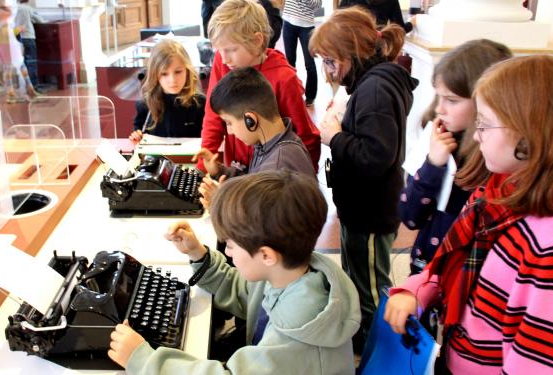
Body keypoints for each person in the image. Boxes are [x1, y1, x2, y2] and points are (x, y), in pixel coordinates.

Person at [385, 55, 553, 373]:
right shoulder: (497, 193)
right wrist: (418, 291)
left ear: (529, 132)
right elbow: (455, 268)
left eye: (484, 124)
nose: (475, 136)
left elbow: (539, 364)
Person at [108, 170, 362, 374]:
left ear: (266, 255)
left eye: (230, 244)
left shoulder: (298, 338)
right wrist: (198, 253)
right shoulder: (289, 272)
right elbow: (245, 293)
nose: (227, 252)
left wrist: (142, 360)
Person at [309, 6, 418, 351]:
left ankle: (377, 354)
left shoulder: (374, 89)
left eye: (329, 60)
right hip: (364, 206)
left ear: (348, 55)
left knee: (370, 288)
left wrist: (335, 137)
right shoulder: (377, 83)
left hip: (370, 211)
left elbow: (375, 157)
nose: (328, 70)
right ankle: (365, 342)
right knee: (361, 279)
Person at [399, 39, 512, 276]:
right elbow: (409, 216)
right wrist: (433, 165)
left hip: (463, 279)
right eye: (439, 97)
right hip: (425, 272)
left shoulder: (499, 159)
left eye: (452, 100)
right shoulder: (437, 137)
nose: (440, 109)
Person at [199, 0, 321, 174]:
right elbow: (214, 113)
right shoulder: (223, 61)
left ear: (257, 41)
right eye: (220, 50)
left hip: (273, 177)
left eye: (231, 50)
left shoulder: (284, 78)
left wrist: (307, 182)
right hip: (237, 171)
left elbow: (306, 135)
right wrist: (204, 166)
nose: (224, 59)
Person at [193, 66, 315, 209]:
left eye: (229, 123)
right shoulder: (273, 144)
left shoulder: (277, 168)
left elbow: (258, 227)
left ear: (250, 120)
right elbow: (252, 181)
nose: (230, 131)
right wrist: (219, 171)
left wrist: (219, 205)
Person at [129, 39, 205, 144]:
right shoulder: (145, 104)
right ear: (155, 74)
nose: (172, 80)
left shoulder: (200, 103)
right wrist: (137, 137)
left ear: (187, 70)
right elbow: (139, 131)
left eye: (178, 72)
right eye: (164, 74)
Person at [0, 0, 38, 103]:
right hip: (9, 42)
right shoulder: (5, 12)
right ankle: (29, 88)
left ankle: (10, 93)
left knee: (7, 68)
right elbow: (9, 24)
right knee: (21, 65)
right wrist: (19, 29)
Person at [282, 0, 321, 107]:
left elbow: (318, 4)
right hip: (288, 22)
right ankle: (292, 94)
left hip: (307, 26)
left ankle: (310, 96)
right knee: (289, 63)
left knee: (310, 63)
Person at [14, 0, 45, 90]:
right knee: (32, 62)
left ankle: (27, 85)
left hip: (20, 37)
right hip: (29, 36)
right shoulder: (28, 9)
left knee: (26, 62)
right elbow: (40, 20)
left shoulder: (16, 9)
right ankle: (34, 86)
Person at [339, 0, 416, 33]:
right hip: (376, 50)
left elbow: (338, 23)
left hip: (349, 48)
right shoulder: (391, 1)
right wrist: (411, 23)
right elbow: (398, 30)